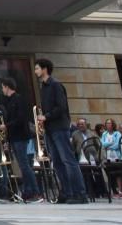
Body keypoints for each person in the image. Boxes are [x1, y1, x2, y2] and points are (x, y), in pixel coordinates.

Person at [35, 58, 86, 204]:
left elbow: (61, 107)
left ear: (45, 69)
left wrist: (46, 116)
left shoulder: (56, 85)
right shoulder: (43, 87)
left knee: (68, 160)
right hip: (50, 128)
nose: (36, 71)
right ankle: (67, 191)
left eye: (37, 68)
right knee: (57, 162)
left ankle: (79, 193)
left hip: (60, 127)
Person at [0, 77, 42, 202]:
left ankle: (36, 192)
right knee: (22, 166)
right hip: (13, 137)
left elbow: (21, 118)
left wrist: (6, 125)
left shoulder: (19, 99)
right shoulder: (9, 101)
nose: (2, 90)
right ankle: (27, 192)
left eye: (2, 87)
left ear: (7, 87)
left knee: (25, 165)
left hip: (21, 136)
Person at [101, 118, 122, 197]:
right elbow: (102, 144)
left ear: (113, 124)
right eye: (107, 123)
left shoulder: (117, 133)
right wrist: (110, 143)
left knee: (118, 173)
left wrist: (108, 145)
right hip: (107, 156)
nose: (108, 125)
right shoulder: (104, 134)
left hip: (116, 156)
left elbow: (117, 144)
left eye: (110, 123)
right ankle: (114, 191)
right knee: (110, 174)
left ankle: (121, 191)